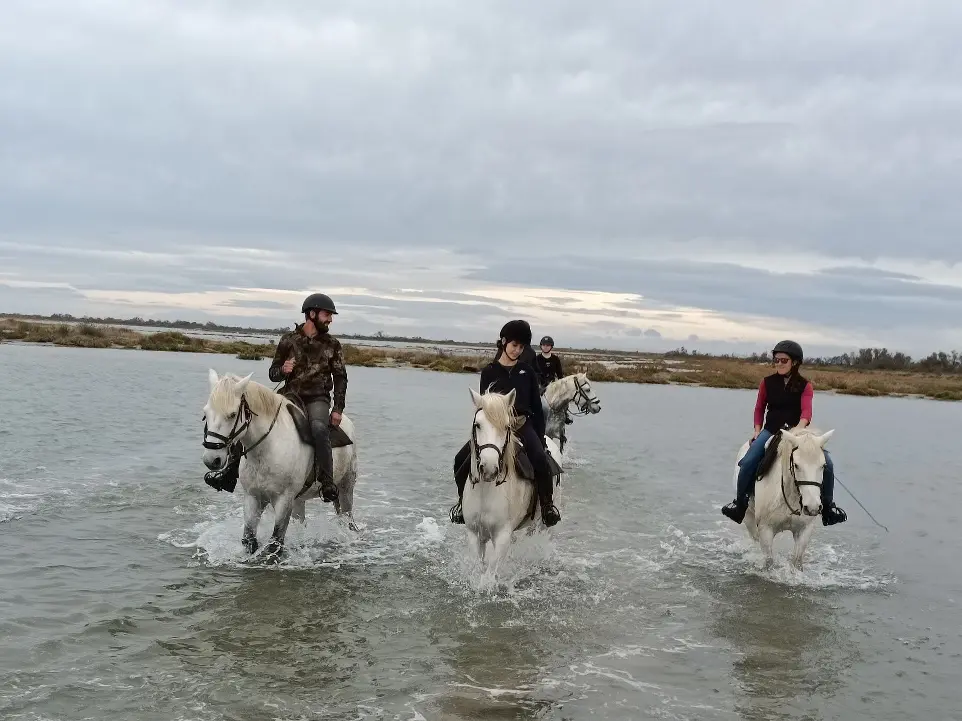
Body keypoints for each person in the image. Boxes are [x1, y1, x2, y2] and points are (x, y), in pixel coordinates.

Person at [721, 340, 847, 526]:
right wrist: (757, 431)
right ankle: (740, 504)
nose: (778, 363)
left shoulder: (805, 386)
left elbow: (806, 412)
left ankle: (827, 508)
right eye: (776, 360)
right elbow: (759, 409)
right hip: (771, 430)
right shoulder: (767, 383)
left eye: (783, 360)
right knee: (747, 462)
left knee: (827, 463)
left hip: (797, 433)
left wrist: (799, 429)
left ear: (795, 362)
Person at [450, 319, 561, 527]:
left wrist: (540, 438)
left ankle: (547, 506)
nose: (517, 350)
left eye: (521, 347)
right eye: (514, 345)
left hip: (520, 425)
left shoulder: (527, 372)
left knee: (539, 458)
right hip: (495, 427)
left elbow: (536, 409)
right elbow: (483, 405)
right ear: (503, 342)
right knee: (460, 459)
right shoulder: (489, 371)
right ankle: (461, 504)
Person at [268, 292, 347, 504]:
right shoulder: (288, 340)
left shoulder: (333, 344)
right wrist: (283, 369)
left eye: (331, 315)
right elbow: (273, 373)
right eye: (327, 314)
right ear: (312, 314)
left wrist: (338, 409)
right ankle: (230, 472)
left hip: (317, 399)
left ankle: (328, 483)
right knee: (256, 417)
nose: (330, 319)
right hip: (289, 396)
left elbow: (340, 378)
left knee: (320, 429)